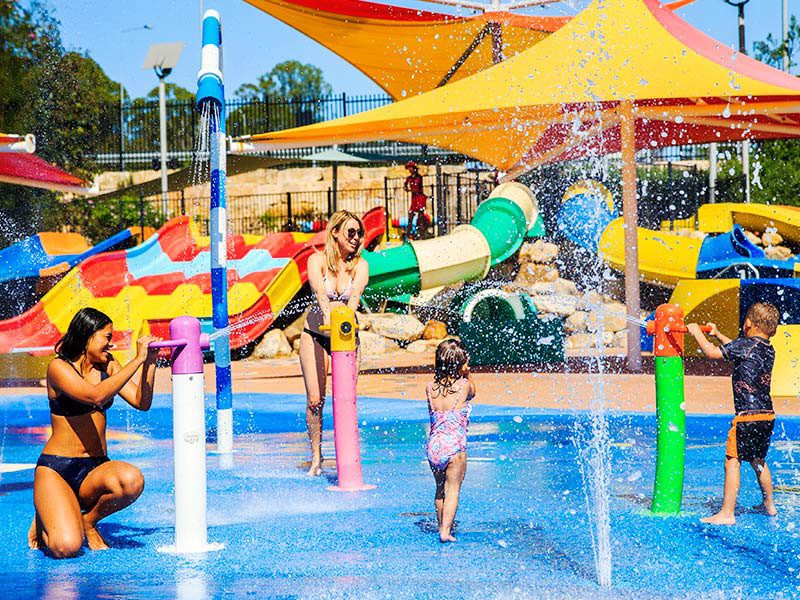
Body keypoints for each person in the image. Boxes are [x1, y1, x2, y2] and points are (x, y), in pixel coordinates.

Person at [28, 307, 160, 557]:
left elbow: (141, 402)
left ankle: (88, 521)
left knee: (132, 481)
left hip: (95, 468)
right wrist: (138, 359)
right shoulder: (59, 368)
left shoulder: (108, 364)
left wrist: (149, 363)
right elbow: (95, 395)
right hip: (57, 469)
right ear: (87, 335)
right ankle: (47, 514)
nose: (111, 344)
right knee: (66, 547)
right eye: (107, 337)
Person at [687, 302, 780, 525]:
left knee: (732, 462)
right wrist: (718, 334)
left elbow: (711, 353)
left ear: (748, 324)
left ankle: (727, 513)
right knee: (758, 461)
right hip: (767, 415)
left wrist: (696, 332)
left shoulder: (744, 345)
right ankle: (769, 505)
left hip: (746, 416)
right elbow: (736, 349)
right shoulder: (767, 349)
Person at [299, 210, 369, 476]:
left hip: (347, 338)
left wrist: (342, 325)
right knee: (315, 400)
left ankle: (347, 457)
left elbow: (354, 300)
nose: (356, 238)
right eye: (350, 232)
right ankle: (316, 456)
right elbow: (320, 293)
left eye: (359, 233)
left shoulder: (360, 265)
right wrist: (329, 319)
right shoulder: (316, 261)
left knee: (346, 398)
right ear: (335, 233)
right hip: (315, 334)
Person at [426, 339, 476, 543]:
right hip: (454, 448)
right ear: (462, 364)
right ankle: (445, 532)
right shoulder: (464, 386)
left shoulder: (429, 388)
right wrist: (467, 372)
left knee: (440, 489)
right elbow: (474, 391)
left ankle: (441, 525)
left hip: (435, 446)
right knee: (453, 489)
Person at [403, 161, 428, 240]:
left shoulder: (419, 177)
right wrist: (407, 188)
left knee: (420, 216)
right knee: (411, 215)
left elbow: (418, 188)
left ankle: (422, 234)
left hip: (420, 198)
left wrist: (411, 189)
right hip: (414, 199)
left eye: (412, 168)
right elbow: (405, 186)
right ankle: (408, 234)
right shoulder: (409, 178)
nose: (411, 170)